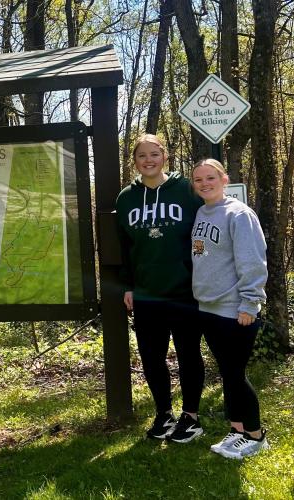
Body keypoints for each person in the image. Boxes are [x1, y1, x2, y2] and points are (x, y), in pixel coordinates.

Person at [115, 134, 205, 442]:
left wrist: (203, 275)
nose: (148, 160)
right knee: (152, 357)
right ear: (135, 161)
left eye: (154, 154)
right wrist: (127, 285)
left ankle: (191, 417)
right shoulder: (126, 198)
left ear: (164, 157)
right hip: (146, 293)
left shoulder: (185, 191)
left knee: (188, 355)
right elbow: (124, 248)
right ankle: (164, 413)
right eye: (142, 156)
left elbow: (203, 233)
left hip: (185, 291)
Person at [191, 158, 268, 459]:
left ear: (224, 180)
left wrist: (249, 302)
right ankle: (237, 430)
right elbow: (203, 254)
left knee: (235, 374)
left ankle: (256, 435)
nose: (204, 183)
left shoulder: (239, 214)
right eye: (198, 179)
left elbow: (252, 262)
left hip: (236, 309)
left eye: (211, 177)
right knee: (227, 372)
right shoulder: (201, 212)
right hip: (208, 307)